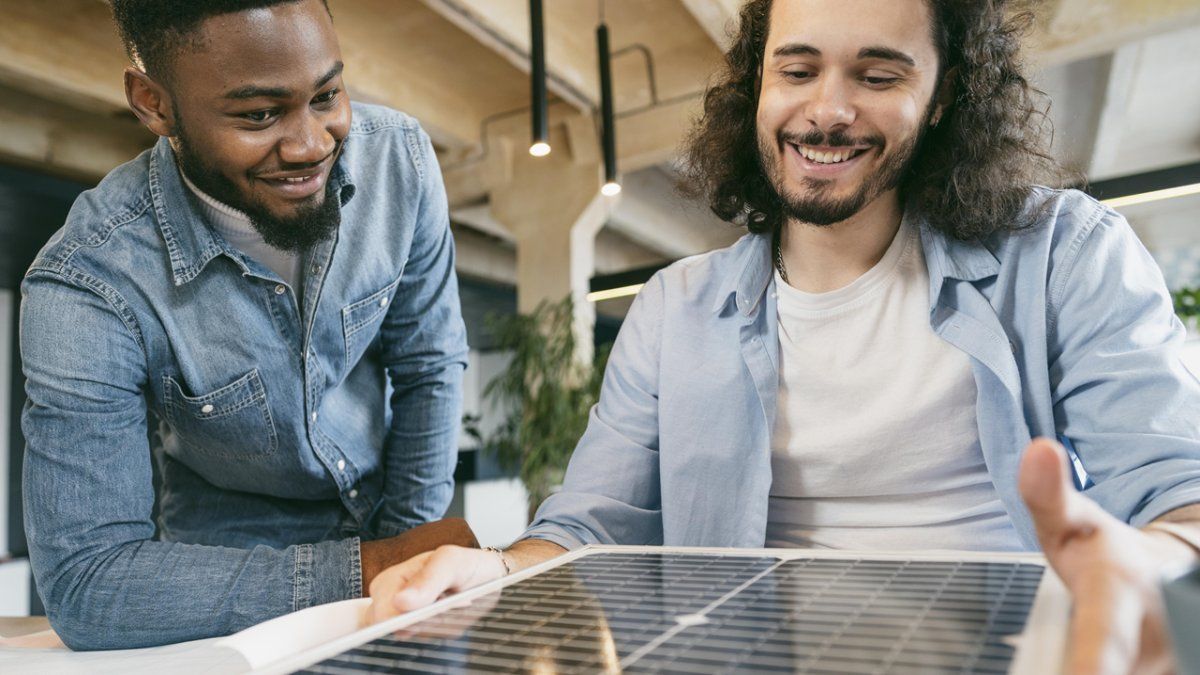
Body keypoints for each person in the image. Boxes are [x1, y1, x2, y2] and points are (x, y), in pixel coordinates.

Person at [368, 0, 1200, 671]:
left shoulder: (1065, 254)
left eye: (878, 74)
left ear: (944, 94)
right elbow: (591, 524)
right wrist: (501, 566)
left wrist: (1150, 560)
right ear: (756, 84)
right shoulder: (675, 308)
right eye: (796, 70)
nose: (827, 111)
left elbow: (1178, 493)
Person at [20, 0, 476, 650]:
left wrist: (405, 549)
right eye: (259, 115)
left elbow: (430, 364)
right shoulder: (89, 279)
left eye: (327, 95)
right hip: (221, 580)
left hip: (394, 520)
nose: (311, 144)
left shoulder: (400, 162)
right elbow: (89, 583)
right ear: (154, 103)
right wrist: (371, 566)